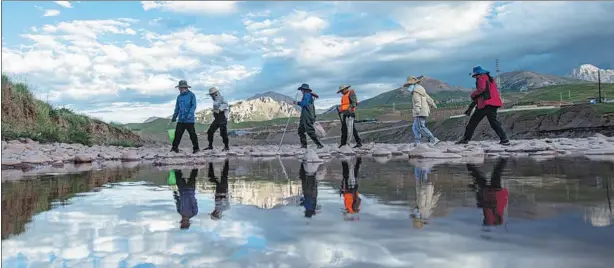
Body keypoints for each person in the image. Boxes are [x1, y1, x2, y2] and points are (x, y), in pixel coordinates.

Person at [457, 66, 510, 145]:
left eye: (475, 75)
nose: (475, 77)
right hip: (494, 103)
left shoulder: (481, 78)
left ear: (478, 74)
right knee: (494, 122)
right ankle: (504, 139)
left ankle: (465, 139)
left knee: (473, 122)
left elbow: (481, 89)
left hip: (485, 104)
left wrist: (473, 95)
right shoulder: (490, 79)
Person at [467, 158, 509, 227]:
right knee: (495, 174)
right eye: (485, 221)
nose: (484, 220)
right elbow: (493, 205)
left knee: (481, 178)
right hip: (495, 193)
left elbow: (484, 203)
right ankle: (504, 158)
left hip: (489, 193)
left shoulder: (488, 216)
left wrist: (477, 192)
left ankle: (469, 164)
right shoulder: (492, 218)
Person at [403, 76, 440, 145]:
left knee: (420, 126)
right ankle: (417, 142)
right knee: (415, 127)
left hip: (420, 111)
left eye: (409, 85)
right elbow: (428, 98)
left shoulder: (416, 91)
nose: (409, 87)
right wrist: (433, 104)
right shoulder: (421, 90)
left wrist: (417, 108)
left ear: (412, 84)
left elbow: (417, 101)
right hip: (423, 111)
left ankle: (432, 139)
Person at [170, 80, 200, 154]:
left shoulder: (191, 95)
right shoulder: (179, 97)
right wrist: (174, 116)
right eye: (179, 88)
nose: (179, 89)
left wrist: (190, 113)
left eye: (180, 88)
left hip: (189, 119)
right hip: (181, 119)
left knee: (192, 134)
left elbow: (194, 106)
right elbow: (177, 107)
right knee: (177, 134)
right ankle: (174, 148)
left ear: (185, 88)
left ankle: (196, 148)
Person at [410, 162, 440, 229]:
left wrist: (437, 194)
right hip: (424, 186)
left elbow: (433, 202)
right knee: (421, 171)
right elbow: (422, 197)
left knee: (422, 171)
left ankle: (427, 165)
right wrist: (421, 188)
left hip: (428, 187)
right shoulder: (422, 209)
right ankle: (426, 164)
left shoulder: (427, 211)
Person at [293, 83, 324, 149]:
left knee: (310, 131)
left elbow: (305, 103)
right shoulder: (307, 95)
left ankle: (319, 145)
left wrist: (297, 103)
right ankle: (304, 146)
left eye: (302, 90)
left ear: (304, 90)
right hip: (304, 116)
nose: (301, 91)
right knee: (301, 131)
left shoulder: (307, 95)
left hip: (307, 116)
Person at [205, 87, 230, 151]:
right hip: (217, 119)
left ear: (215, 93)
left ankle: (226, 147)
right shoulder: (215, 99)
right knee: (210, 132)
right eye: (210, 94)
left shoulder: (222, 98)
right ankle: (210, 146)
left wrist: (219, 109)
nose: (211, 96)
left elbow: (226, 105)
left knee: (223, 133)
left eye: (211, 94)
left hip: (222, 118)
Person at [340, 157, 362, 221]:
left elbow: (356, 198)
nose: (344, 211)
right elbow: (353, 198)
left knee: (351, 174)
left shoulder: (351, 208)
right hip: (350, 189)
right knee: (348, 174)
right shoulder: (352, 208)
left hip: (350, 189)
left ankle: (357, 160)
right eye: (345, 213)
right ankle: (346, 160)